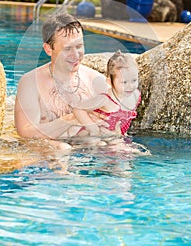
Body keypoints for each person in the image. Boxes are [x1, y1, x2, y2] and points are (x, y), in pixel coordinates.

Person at [14, 12, 108, 149]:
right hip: (46, 157)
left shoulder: (95, 80)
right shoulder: (30, 83)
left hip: (86, 154)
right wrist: (70, 119)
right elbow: (25, 132)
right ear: (48, 49)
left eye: (79, 46)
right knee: (61, 149)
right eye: (67, 48)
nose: (76, 55)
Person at [72, 50, 141, 140]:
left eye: (134, 80)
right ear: (110, 82)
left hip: (113, 137)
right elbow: (78, 109)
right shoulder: (105, 99)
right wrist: (94, 129)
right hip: (93, 136)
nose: (130, 86)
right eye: (124, 82)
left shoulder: (135, 95)